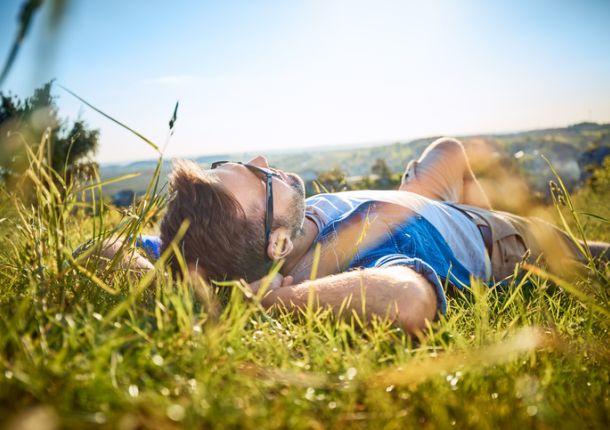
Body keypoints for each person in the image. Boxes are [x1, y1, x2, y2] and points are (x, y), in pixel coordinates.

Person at [121, 138, 608, 336]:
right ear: (278, 247)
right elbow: (406, 301)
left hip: (416, 199)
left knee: (451, 149)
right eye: (259, 177)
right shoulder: (355, 262)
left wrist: (180, 284)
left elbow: (104, 249)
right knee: (586, 257)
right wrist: (259, 304)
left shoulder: (207, 247)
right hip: (496, 239)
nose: (264, 161)